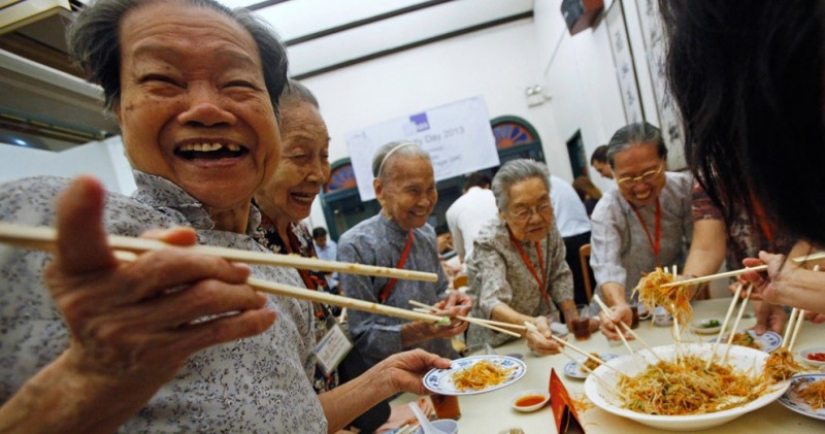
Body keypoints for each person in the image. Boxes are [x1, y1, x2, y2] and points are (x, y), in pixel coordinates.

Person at [0, 1, 450, 432]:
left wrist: (383, 378)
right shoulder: (48, 228)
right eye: (162, 79)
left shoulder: (280, 269)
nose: (207, 109)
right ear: (119, 110)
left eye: (237, 83)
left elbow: (293, 418)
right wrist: (79, 387)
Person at [660, 1, 825, 317]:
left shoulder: (797, 147)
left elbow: (810, 226)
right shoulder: (717, 171)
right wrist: (686, 284)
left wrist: (798, 281)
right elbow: (707, 246)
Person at [337, 141, 473, 368]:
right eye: (413, 190)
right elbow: (364, 337)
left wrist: (453, 303)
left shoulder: (426, 233)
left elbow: (439, 291)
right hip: (398, 378)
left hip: (443, 364)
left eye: (431, 188)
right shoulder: (356, 246)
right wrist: (421, 330)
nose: (425, 201)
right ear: (380, 190)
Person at [466, 159, 595, 353]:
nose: (536, 218)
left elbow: (558, 274)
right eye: (522, 212)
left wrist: (574, 320)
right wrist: (531, 326)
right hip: (498, 345)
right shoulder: (491, 241)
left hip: (544, 331)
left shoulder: (548, 224)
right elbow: (492, 301)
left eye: (543, 205)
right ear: (502, 213)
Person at [591, 122, 693, 340]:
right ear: (613, 173)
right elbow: (607, 267)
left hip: (672, 307)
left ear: (664, 161)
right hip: (626, 314)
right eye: (627, 178)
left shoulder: (684, 190)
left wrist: (688, 283)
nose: (640, 186)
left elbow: (699, 245)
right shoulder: (608, 209)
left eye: (649, 173)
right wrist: (619, 305)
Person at [550, 175, 594, 305]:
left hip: (567, 241)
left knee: (574, 297)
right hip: (587, 235)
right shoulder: (558, 181)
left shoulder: (539, 184)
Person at [445, 171, 498, 263]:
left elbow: (461, 252)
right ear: (487, 186)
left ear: (464, 192)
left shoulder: (452, 210)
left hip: (478, 263)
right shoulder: (498, 197)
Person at [313, 227, 340, 293]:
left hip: (339, 278)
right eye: (320, 240)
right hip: (326, 282)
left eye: (325, 239)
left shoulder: (332, 245)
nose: (323, 242)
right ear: (315, 239)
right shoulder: (313, 252)